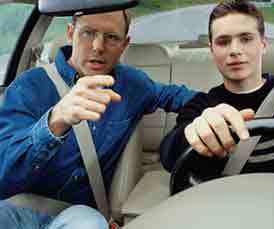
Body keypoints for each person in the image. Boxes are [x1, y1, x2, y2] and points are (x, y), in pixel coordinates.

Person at [0, 9, 196, 229]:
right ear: (70, 33)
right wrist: (54, 122)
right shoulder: (28, 86)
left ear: (125, 44)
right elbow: (3, 175)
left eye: (111, 37)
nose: (97, 47)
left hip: (78, 215)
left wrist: (221, 109)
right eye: (88, 33)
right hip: (15, 208)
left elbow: (180, 97)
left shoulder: (133, 85)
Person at [160, 0, 274, 185]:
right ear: (212, 50)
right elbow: (169, 155)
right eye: (223, 42)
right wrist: (193, 133)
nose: (235, 50)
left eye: (246, 39)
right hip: (226, 207)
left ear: (263, 44)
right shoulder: (201, 105)